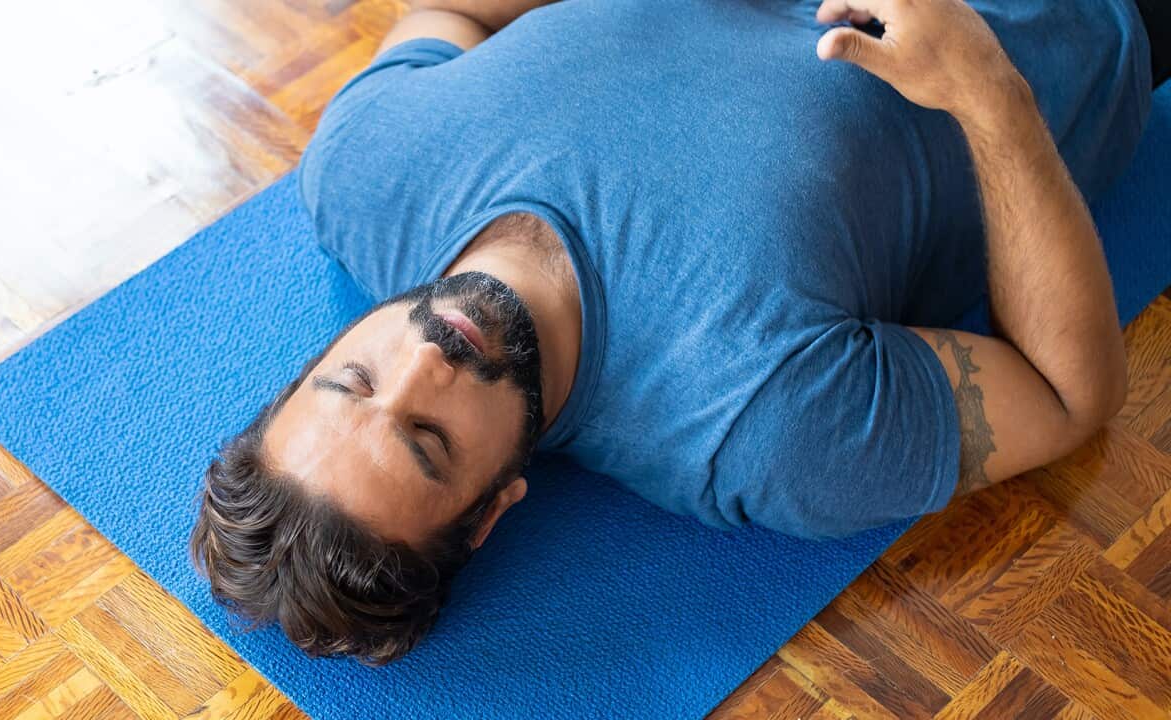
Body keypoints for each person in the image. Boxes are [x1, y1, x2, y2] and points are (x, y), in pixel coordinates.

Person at [190, 0, 1165, 665]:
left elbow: (454, 16)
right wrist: (987, 92)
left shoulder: (364, 172)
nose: (423, 361)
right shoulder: (758, 424)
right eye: (426, 439)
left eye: (352, 382)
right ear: (490, 511)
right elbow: (1065, 396)